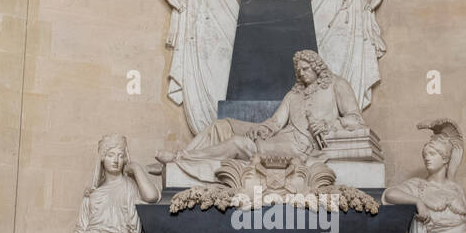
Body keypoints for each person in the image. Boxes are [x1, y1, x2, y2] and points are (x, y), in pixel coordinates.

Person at [156, 49, 366, 181]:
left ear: (317, 66)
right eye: (298, 70)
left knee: (239, 143)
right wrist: (263, 128)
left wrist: (331, 125)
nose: (301, 73)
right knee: (222, 125)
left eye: (306, 68)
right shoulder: (294, 94)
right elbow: (276, 122)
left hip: (300, 148)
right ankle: (182, 161)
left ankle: (180, 159)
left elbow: (355, 120)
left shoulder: (337, 85)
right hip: (280, 137)